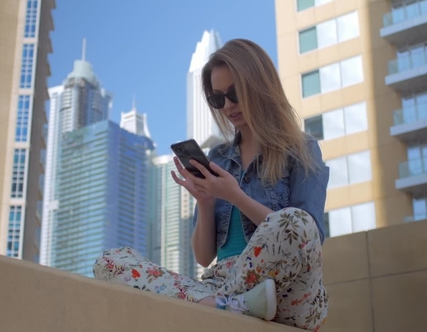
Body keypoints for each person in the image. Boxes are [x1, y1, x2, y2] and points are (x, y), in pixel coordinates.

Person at [94, 38, 329, 331]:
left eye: (234, 94)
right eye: (218, 99)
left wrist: (234, 195)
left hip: (286, 292)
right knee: (110, 261)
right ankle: (231, 305)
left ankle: (221, 305)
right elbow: (205, 257)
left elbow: (310, 238)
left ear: (258, 84)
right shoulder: (218, 156)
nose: (228, 106)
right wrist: (205, 201)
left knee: (296, 221)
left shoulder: (302, 149)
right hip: (221, 285)